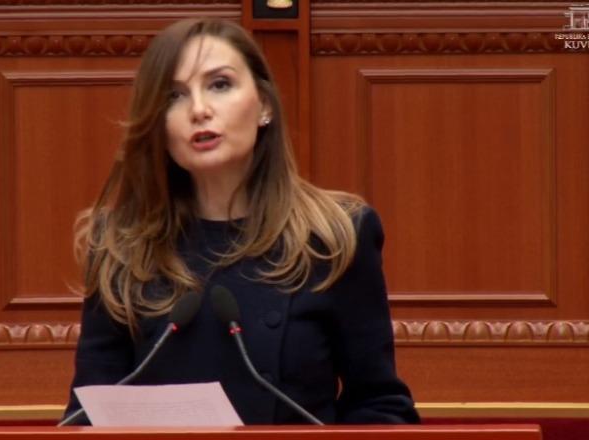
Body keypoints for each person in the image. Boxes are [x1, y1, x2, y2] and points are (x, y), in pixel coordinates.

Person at [63, 18, 419, 425]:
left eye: (220, 84)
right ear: (157, 125)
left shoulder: (335, 236)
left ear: (264, 105)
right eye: (174, 96)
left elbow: (380, 407)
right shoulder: (120, 246)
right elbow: (86, 417)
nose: (199, 110)